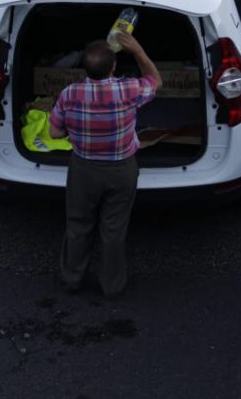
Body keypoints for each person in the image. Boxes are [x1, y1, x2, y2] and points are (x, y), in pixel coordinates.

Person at [48, 32, 162, 297]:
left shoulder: (69, 94)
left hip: (84, 169)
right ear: (113, 67)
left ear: (84, 67)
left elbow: (54, 134)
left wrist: (72, 130)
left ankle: (72, 279)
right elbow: (156, 81)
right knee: (113, 229)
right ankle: (112, 286)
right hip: (121, 169)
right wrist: (138, 50)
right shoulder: (128, 90)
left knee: (78, 224)